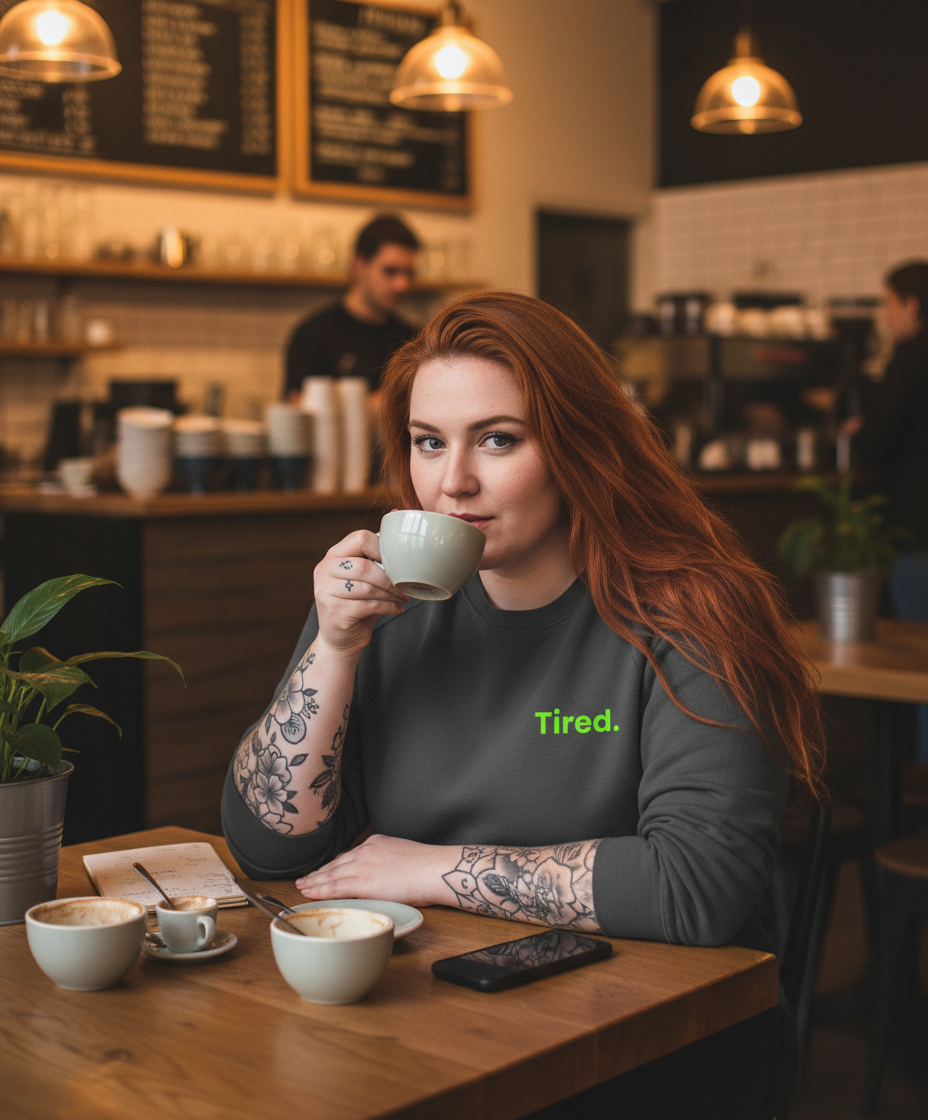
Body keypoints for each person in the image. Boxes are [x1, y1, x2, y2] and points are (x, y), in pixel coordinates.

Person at [223, 291, 826, 1119]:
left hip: (648, 1052)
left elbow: (696, 887)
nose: (453, 481)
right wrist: (332, 650)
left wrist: (427, 870)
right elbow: (266, 845)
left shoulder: (693, 612)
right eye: (428, 442)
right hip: (434, 1026)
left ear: (580, 446)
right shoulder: (381, 609)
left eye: (498, 440)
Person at [854, 260, 928, 762]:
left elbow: (875, 445)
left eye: (887, 305)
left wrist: (856, 430)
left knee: (919, 664)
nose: (885, 318)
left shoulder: (910, 358)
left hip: (915, 529)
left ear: (911, 306)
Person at [284, 214, 420, 403]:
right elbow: (297, 412)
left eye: (409, 273)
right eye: (390, 271)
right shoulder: (313, 334)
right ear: (359, 265)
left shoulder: (414, 340)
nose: (402, 285)